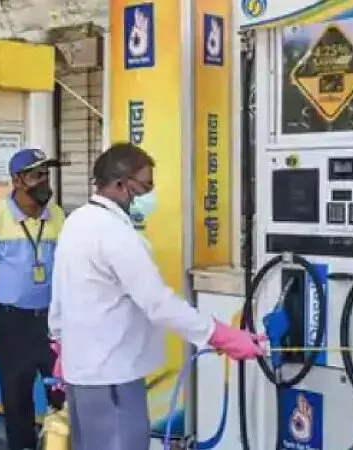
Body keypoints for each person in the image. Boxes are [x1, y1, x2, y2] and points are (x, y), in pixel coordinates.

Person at [49, 142, 266, 450]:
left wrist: (60, 344)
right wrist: (220, 335)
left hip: (82, 374)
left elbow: (59, 295)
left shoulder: (77, 221)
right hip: (113, 377)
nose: (149, 194)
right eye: (146, 185)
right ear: (121, 184)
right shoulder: (115, 234)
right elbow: (158, 303)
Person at [0, 148, 65, 450]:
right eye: (36, 175)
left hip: (52, 323)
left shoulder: (58, 216)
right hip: (12, 324)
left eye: (46, 175)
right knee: (16, 401)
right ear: (17, 180)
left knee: (61, 399)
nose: (44, 181)